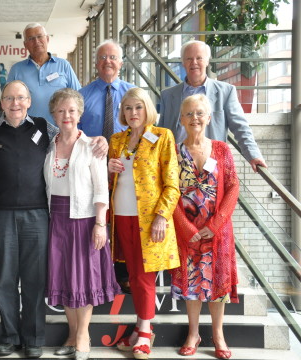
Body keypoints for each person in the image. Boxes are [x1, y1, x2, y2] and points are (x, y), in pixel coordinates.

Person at [0, 80, 56, 359]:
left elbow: (71, 140)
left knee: (35, 280)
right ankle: (10, 337)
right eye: (9, 98)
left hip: (36, 213)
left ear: (29, 101)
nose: (15, 103)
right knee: (5, 280)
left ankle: (34, 338)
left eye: (20, 98)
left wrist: (94, 141)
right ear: (1, 103)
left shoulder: (44, 127)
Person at [44, 88, 120, 360]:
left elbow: (101, 189)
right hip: (57, 218)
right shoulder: (48, 144)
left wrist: (101, 224)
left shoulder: (92, 146)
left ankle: (83, 337)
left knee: (84, 280)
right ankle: (72, 334)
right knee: (65, 279)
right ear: (54, 113)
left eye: (72, 110)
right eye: (61, 111)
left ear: (80, 114)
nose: (67, 115)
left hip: (85, 219)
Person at [107, 88, 180, 360]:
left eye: (138, 107)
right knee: (133, 276)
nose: (133, 113)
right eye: (127, 108)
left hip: (149, 220)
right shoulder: (117, 140)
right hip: (121, 218)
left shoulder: (162, 137)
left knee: (144, 276)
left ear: (147, 109)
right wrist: (108, 170)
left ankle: (146, 333)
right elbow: (110, 183)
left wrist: (162, 215)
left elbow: (172, 183)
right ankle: (140, 328)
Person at [169, 95, 239, 359]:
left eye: (199, 113)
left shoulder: (221, 149)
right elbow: (170, 192)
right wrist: (186, 227)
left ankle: (218, 334)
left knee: (217, 283)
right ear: (181, 119)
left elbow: (233, 187)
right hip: (188, 232)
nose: (194, 118)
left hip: (217, 232)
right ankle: (193, 333)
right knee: (192, 282)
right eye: (189, 114)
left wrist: (217, 222)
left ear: (208, 118)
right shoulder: (174, 151)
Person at [78, 39, 136, 293]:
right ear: (96, 63)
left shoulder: (133, 94)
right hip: (93, 168)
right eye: (102, 58)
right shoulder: (82, 95)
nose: (107, 62)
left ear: (121, 63)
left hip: (127, 168)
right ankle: (98, 272)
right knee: (97, 219)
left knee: (123, 218)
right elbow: (74, 133)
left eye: (112, 57)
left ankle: (123, 273)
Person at [158, 39, 266, 173]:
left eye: (199, 58)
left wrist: (253, 155)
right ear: (183, 62)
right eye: (189, 58)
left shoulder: (226, 92)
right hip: (175, 167)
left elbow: (240, 127)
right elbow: (160, 133)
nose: (194, 63)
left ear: (208, 61)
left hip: (210, 166)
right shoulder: (168, 95)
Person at [7, 23, 81, 125]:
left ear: (47, 39)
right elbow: (8, 103)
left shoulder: (63, 65)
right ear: (25, 45)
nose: (36, 41)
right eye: (31, 39)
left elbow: (78, 98)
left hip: (60, 132)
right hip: (27, 132)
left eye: (39, 36)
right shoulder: (16, 69)